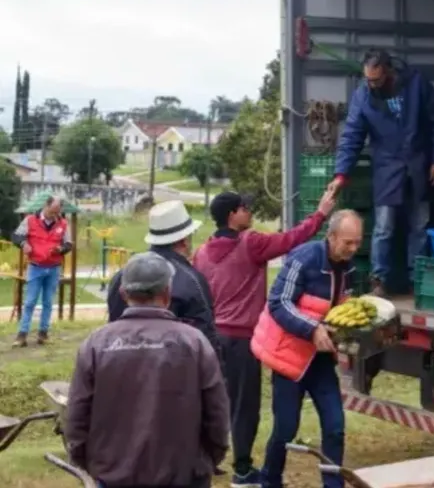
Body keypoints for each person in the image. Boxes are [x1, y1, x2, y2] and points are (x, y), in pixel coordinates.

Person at [192, 190, 336, 487]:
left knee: (216, 400)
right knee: (245, 406)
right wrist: (320, 214)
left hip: (211, 337)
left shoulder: (202, 252)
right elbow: (291, 239)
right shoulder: (251, 243)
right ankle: (243, 470)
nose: (250, 212)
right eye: (245, 208)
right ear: (233, 215)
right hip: (243, 339)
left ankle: (206, 459)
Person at [63, 252, 230, 488]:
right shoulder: (195, 343)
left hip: (114, 477)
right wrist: (207, 460)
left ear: (123, 293)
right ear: (167, 293)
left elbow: (77, 416)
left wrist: (92, 465)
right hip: (183, 475)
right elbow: (217, 415)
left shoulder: (96, 344)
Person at [252, 210, 363, 488]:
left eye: (357, 243)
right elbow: (279, 302)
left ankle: (332, 485)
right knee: (286, 429)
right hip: (288, 358)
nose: (353, 249)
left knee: (335, 427)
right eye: (348, 242)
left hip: (321, 360)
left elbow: (343, 307)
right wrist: (312, 329)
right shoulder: (303, 258)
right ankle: (270, 480)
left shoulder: (349, 268)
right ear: (331, 236)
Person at [328, 48, 434, 297]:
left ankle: (418, 282)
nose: (371, 85)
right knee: (384, 228)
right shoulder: (363, 96)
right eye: (367, 80)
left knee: (419, 225)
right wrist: (341, 174)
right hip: (387, 167)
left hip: (418, 164)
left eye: (376, 80)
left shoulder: (416, 84)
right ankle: (379, 281)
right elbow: (352, 136)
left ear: (389, 71)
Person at [107, 200, 221, 359]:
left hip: (124, 368)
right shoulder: (192, 280)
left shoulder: (122, 275)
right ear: (184, 240)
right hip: (173, 371)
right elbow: (205, 339)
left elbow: (112, 328)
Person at [11, 194, 73, 347]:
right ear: (46, 206)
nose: (54, 214)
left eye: (57, 211)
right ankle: (22, 335)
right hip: (36, 267)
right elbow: (16, 236)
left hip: (53, 268)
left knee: (47, 302)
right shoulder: (30, 220)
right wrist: (23, 244)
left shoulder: (63, 224)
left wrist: (61, 249)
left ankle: (43, 334)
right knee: (30, 301)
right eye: (52, 211)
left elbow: (69, 244)